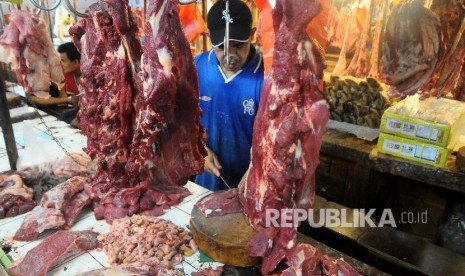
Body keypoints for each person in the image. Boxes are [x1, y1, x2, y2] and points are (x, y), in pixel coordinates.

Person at [194, 0, 264, 191]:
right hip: (203, 187)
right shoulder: (196, 68)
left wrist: (258, 171)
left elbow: (273, 145)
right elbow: (181, 121)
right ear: (209, 37)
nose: (230, 55)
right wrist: (199, 149)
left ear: (252, 34)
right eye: (221, 47)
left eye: (238, 45)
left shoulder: (266, 79)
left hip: (250, 189)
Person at [29, 42, 81, 126]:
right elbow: (34, 99)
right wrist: (69, 99)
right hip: (82, 110)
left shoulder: (90, 75)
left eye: (64, 61)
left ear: (75, 62)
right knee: (65, 115)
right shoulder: (66, 74)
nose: (61, 65)